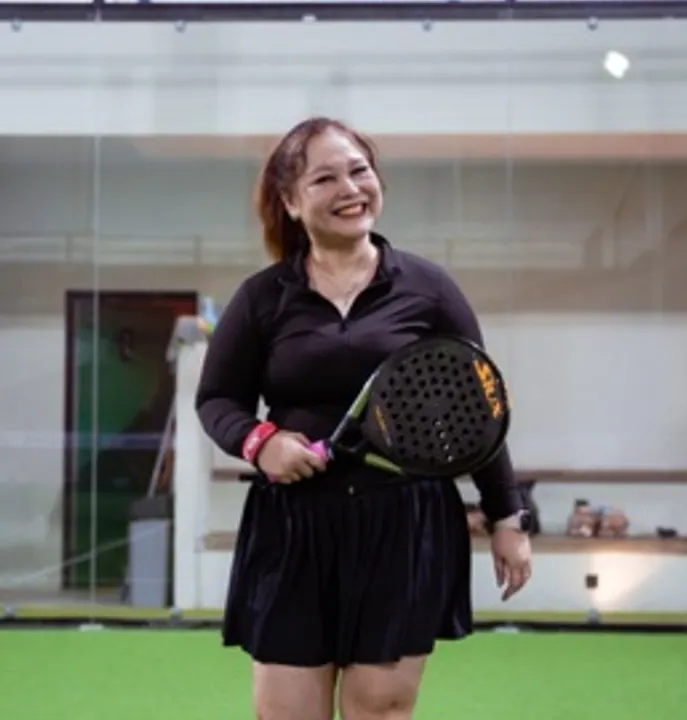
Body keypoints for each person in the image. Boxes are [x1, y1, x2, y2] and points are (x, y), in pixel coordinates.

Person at [195, 116, 532, 720]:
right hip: (294, 530)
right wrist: (260, 442)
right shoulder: (262, 298)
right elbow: (217, 400)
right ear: (291, 202)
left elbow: (477, 412)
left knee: (380, 710)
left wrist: (508, 517)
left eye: (360, 171)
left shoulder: (429, 289)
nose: (350, 189)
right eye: (325, 178)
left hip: (403, 527)